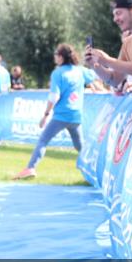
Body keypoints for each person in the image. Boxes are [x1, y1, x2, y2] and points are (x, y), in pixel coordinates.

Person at [14, 44, 88, 180]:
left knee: (43, 141)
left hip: (61, 115)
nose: (54, 57)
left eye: (55, 54)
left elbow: (54, 96)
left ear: (61, 57)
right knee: (80, 146)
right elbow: (96, 78)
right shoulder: (80, 71)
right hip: (76, 115)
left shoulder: (58, 73)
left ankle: (31, 168)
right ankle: (90, 169)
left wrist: (45, 115)